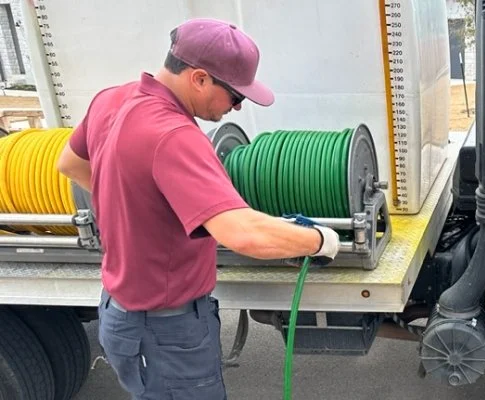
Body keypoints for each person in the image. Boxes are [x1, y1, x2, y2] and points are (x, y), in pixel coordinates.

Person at [56, 18, 339, 399]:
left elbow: (70, 164)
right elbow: (242, 233)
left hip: (120, 315)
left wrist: (141, 205)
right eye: (236, 96)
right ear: (200, 79)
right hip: (166, 335)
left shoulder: (112, 99)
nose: (237, 108)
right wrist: (318, 240)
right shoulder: (175, 135)